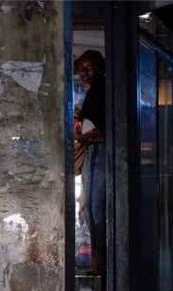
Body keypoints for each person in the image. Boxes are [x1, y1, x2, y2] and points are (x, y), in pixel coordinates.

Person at [73, 50, 106, 276]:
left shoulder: (101, 90)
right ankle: (98, 262)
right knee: (89, 209)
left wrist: (83, 137)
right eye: (80, 69)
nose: (84, 73)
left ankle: (99, 264)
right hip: (94, 154)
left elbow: (104, 128)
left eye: (88, 68)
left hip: (99, 155)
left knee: (95, 209)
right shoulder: (95, 91)